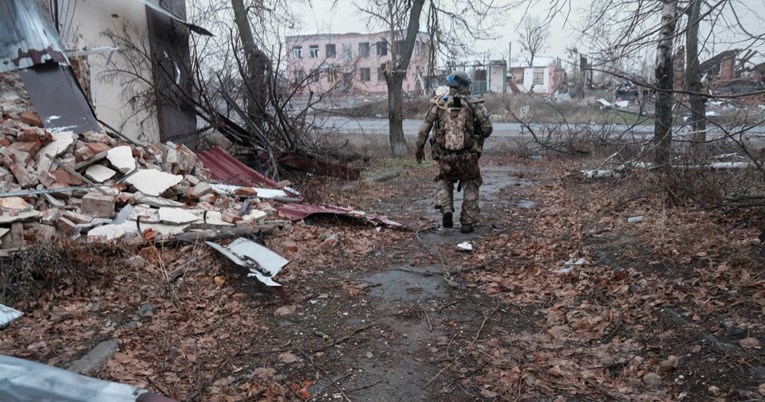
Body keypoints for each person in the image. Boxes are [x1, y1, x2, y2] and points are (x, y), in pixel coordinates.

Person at [415, 71, 493, 233]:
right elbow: (487, 129)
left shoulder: (439, 104)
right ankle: (467, 222)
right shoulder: (474, 103)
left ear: (451, 86)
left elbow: (423, 129)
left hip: (445, 156)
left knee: (444, 181)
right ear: (464, 86)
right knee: (471, 184)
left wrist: (419, 149)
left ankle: (447, 209)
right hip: (468, 156)